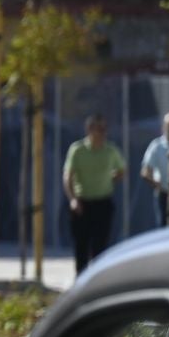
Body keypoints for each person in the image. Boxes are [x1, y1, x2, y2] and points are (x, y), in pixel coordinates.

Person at [63, 113, 126, 273]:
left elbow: (122, 171)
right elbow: (68, 176)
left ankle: (97, 283)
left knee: (100, 247)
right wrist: (72, 200)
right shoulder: (77, 150)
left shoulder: (111, 151)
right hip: (82, 205)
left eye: (105, 128)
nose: (104, 132)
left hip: (103, 204)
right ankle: (81, 282)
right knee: (81, 247)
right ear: (89, 130)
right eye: (100, 129)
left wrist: (111, 177)